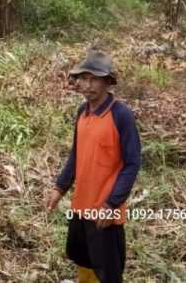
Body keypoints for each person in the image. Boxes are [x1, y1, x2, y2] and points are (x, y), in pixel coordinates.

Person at [44, 50, 142, 283]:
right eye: (83, 78)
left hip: (104, 209)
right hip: (81, 205)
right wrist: (59, 188)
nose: (87, 85)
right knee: (83, 258)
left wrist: (111, 204)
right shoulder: (82, 112)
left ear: (107, 82)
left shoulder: (121, 115)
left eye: (94, 79)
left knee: (107, 268)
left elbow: (132, 164)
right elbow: (76, 154)